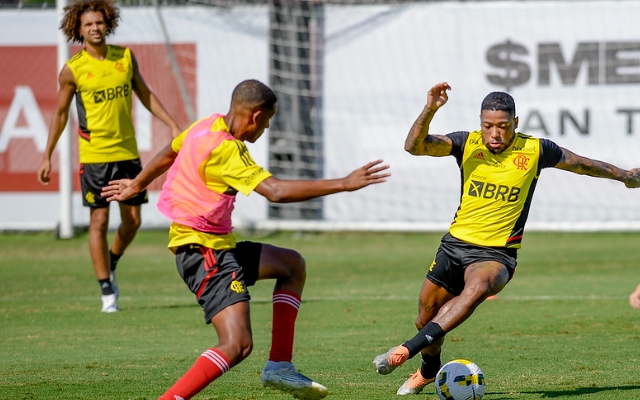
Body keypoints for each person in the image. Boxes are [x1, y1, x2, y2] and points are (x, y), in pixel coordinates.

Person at [101, 79, 390, 400]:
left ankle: (280, 365)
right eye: (266, 122)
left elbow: (169, 153)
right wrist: (343, 184)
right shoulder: (228, 150)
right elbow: (276, 191)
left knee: (291, 265)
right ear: (255, 116)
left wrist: (137, 183)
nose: (265, 130)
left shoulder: (203, 126)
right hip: (205, 252)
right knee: (237, 345)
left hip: (215, 246)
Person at [372, 82, 640, 395]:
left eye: (502, 126)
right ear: (480, 124)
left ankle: (404, 351)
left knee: (478, 288)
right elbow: (414, 147)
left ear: (515, 123)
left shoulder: (536, 149)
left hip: (497, 254)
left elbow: (581, 164)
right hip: (454, 245)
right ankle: (429, 370)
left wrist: (624, 176)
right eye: (488, 126)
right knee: (425, 316)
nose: (495, 133)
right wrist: (430, 109)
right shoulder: (467, 143)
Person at [37, 0, 182, 313]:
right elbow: (61, 114)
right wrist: (47, 155)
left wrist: (171, 124)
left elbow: (144, 93)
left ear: (108, 24)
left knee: (132, 221)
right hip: (95, 157)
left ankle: (112, 259)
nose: (95, 28)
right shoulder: (72, 70)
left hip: (127, 153)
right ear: (78, 29)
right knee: (99, 219)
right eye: (88, 24)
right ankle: (107, 292)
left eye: (99, 23)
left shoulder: (125, 57)